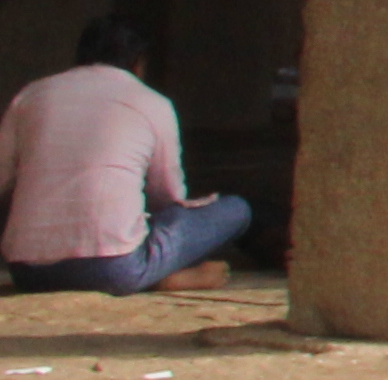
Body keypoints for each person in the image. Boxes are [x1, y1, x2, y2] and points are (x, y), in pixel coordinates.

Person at [0, 19, 240, 296]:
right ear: (139, 62)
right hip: (113, 267)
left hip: (28, 271)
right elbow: (169, 195)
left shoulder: (31, 95)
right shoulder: (153, 102)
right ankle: (154, 277)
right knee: (236, 210)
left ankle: (145, 275)